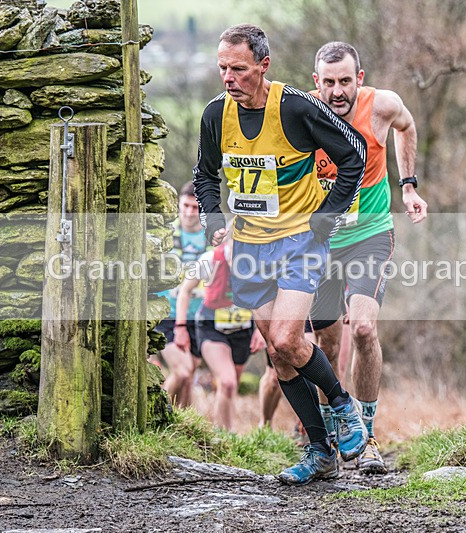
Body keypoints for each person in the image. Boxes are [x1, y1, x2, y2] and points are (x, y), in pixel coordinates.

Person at [193, 23, 369, 485]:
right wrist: (214, 218)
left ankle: (343, 407)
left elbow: (354, 152)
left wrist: (327, 217)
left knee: (290, 338)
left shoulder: (294, 107)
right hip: (250, 245)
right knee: (276, 350)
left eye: (239, 69)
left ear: (263, 65)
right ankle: (319, 451)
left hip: (299, 240)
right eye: (223, 69)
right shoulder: (216, 115)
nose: (229, 78)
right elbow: (205, 173)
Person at [306, 41, 428, 475]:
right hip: (322, 244)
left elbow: (407, 125)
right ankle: (330, 442)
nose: (337, 92)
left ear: (359, 78)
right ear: (315, 82)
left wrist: (408, 186)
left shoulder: (382, 106)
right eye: (328, 83)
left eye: (345, 81)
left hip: (370, 236)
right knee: (325, 343)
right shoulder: (302, 115)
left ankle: (369, 435)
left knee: (362, 328)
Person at [174, 227, 266, 430]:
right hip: (211, 328)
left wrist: (261, 331)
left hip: (243, 331)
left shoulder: (258, 263)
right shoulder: (210, 259)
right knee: (228, 382)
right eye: (237, 247)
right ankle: (227, 435)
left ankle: (220, 431)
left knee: (229, 388)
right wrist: (180, 326)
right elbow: (185, 291)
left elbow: (267, 297)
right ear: (229, 243)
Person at [154, 182, 208, 407]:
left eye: (194, 208)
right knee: (183, 371)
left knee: (189, 375)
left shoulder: (209, 238)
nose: (188, 212)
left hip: (198, 316)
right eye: (185, 205)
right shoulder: (166, 233)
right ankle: (156, 411)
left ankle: (181, 425)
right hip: (168, 313)